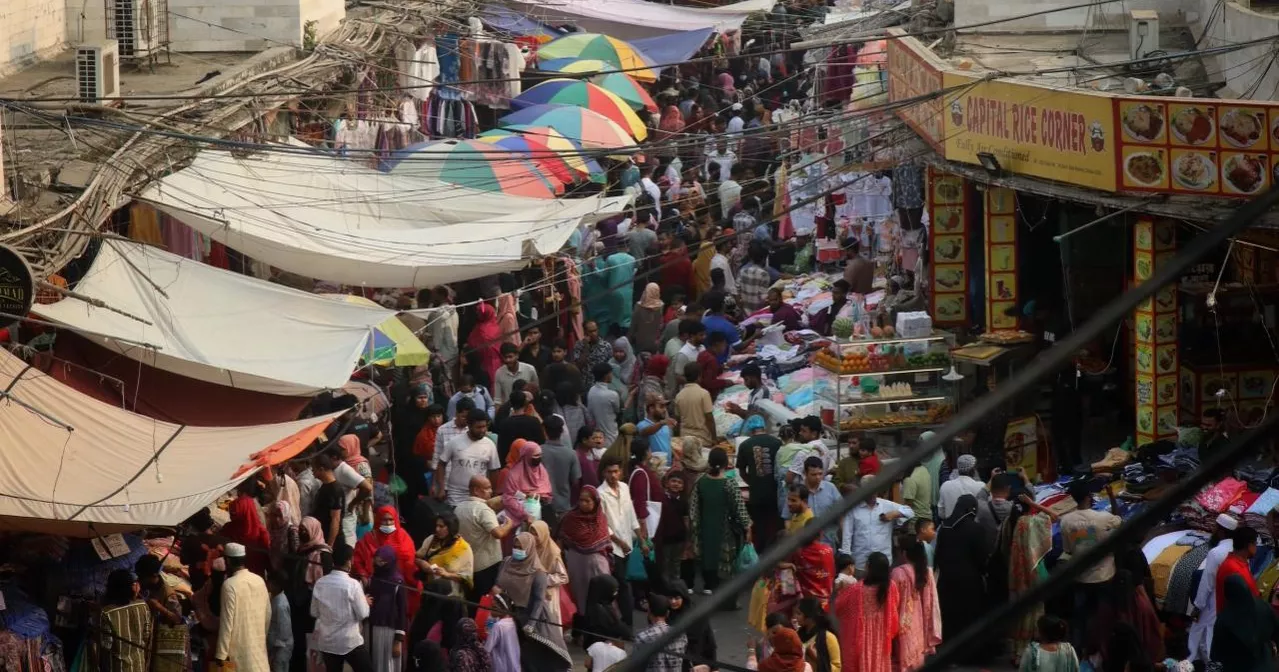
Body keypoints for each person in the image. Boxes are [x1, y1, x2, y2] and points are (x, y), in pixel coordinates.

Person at [496, 533, 574, 671]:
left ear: (529, 549)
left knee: (535, 657)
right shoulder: (507, 563)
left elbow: (538, 600)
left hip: (533, 617)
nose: (517, 550)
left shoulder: (538, 573)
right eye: (515, 547)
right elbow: (499, 584)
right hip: (511, 614)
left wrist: (531, 624)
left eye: (521, 548)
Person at [1059, 482, 1122, 649]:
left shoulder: (1066, 521)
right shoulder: (1103, 518)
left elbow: (1068, 550)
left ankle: (1079, 650)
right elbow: (1119, 521)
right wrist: (1111, 497)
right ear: (1089, 497)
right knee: (1106, 618)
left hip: (1081, 577)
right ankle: (1105, 649)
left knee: (1080, 618)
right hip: (1104, 575)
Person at [934, 495, 991, 666]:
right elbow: (982, 558)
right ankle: (969, 656)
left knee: (950, 618)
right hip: (969, 583)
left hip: (946, 581)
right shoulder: (976, 529)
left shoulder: (945, 527)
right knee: (968, 618)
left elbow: (938, 555)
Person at [691, 447, 751, 594]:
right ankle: (722, 586)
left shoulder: (700, 481)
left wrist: (694, 526)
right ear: (726, 463)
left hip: (704, 526)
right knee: (723, 553)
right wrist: (747, 526)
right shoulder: (729, 483)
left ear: (709, 462)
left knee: (707, 552)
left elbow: (693, 507)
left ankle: (708, 584)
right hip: (725, 527)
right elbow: (740, 508)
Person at [1009, 496, 1057, 660]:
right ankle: (1028, 655)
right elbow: (1054, 516)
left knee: (1020, 614)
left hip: (1017, 574)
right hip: (1033, 573)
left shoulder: (1013, 522)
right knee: (1034, 612)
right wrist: (1034, 503)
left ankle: (1017, 653)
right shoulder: (1032, 522)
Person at [599, 453, 646, 622]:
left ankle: (622, 619)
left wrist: (641, 539)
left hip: (628, 544)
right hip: (614, 547)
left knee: (625, 582)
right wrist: (620, 543)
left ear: (620, 472)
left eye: (616, 471)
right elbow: (603, 524)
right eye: (609, 472)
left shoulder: (625, 488)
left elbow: (631, 515)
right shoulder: (600, 493)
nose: (613, 475)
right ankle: (626, 621)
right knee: (622, 584)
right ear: (604, 473)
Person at [310, 545, 372, 672]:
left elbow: (314, 612)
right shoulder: (353, 585)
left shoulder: (320, 583)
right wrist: (364, 602)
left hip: (327, 642)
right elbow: (363, 613)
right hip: (349, 642)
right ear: (349, 561)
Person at [455, 475, 515, 605]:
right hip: (486, 565)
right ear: (476, 490)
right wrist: (509, 525)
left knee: (470, 602)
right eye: (487, 488)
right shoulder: (483, 509)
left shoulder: (458, 508)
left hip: (466, 564)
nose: (491, 491)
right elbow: (498, 533)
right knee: (485, 603)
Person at [834, 552, 899, 672]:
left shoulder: (856, 589)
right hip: (881, 635)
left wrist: (841, 591)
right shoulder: (891, 586)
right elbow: (894, 610)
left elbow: (839, 607)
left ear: (868, 567)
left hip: (861, 636)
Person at [1190, 514, 1240, 661]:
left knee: (1207, 635)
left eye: (1215, 528)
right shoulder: (1238, 550)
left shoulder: (1216, 553)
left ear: (1221, 531)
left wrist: (1198, 606)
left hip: (1214, 601)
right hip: (1232, 601)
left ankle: (1208, 664)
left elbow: (1207, 582)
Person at [214, 543, 272, 671]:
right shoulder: (259, 580)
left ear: (228, 561)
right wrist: (260, 636)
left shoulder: (229, 585)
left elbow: (227, 623)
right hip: (258, 652)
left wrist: (221, 654)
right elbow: (268, 614)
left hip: (239, 654)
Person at [560, 485, 615, 616]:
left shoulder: (601, 518)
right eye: (581, 500)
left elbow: (605, 542)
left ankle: (604, 620)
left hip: (598, 563)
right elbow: (561, 539)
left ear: (595, 502)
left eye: (587, 501)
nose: (583, 504)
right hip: (577, 564)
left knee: (601, 594)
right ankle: (583, 622)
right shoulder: (570, 518)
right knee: (580, 594)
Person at [839, 476, 913, 572]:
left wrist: (894, 514)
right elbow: (847, 536)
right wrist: (847, 562)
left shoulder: (887, 505)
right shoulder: (853, 509)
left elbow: (910, 512)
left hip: (883, 563)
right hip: (860, 563)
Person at [1211, 574, 1279, 671]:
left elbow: (1216, 655)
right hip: (1266, 662)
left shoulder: (1224, 620)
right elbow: (1276, 631)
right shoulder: (1264, 606)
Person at [891, 540, 940, 671]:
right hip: (921, 621)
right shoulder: (926, 572)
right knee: (917, 655)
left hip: (903, 619)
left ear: (904, 553)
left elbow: (892, 600)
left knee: (902, 654)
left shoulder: (897, 573)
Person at [434, 412, 502, 506]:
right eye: (478, 427)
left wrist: (493, 492)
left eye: (484, 426)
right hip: (456, 497)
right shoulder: (454, 442)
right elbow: (441, 464)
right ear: (469, 426)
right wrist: (441, 487)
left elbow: (494, 470)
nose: (482, 430)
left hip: (479, 497)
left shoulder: (490, 444)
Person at [352, 506, 419, 600]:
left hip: (399, 586)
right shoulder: (369, 538)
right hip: (375, 585)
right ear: (378, 520)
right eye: (384, 520)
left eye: (391, 520)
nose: (388, 523)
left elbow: (410, 562)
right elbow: (357, 560)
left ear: (395, 520)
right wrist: (363, 575)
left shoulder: (404, 538)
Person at [135, 555, 188, 672]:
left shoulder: (168, 593)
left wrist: (159, 607)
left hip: (160, 642)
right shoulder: (143, 586)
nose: (139, 579)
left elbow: (177, 619)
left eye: (142, 577)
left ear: (154, 575)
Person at [737, 414, 783, 545]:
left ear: (750, 429)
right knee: (773, 525)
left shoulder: (745, 445)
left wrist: (752, 482)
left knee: (759, 526)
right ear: (764, 427)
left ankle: (760, 551)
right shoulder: (777, 443)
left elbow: (741, 471)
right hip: (774, 493)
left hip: (756, 494)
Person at [96, 569, 152, 672]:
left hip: (117, 667)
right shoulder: (143, 605)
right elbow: (146, 635)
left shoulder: (107, 612)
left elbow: (106, 645)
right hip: (138, 666)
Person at [367, 546, 409, 672]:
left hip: (391, 631)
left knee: (389, 665)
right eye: (376, 561)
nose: (378, 564)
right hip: (374, 628)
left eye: (382, 562)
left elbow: (402, 611)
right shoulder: (374, 579)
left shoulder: (397, 581)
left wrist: (398, 640)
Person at [415, 512, 474, 599]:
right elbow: (416, 557)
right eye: (436, 526)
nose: (437, 529)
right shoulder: (431, 539)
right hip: (428, 589)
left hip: (449, 595)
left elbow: (466, 577)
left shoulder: (464, 548)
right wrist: (422, 563)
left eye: (441, 526)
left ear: (451, 527)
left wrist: (447, 574)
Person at [530, 520, 573, 632]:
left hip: (548, 595)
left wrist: (542, 580)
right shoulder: (531, 549)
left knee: (548, 626)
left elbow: (563, 577)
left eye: (536, 534)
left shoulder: (553, 553)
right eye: (531, 533)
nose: (533, 537)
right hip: (532, 592)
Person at [540, 415, 581, 527]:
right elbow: (576, 481)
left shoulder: (538, 452)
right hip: (564, 505)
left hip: (542, 505)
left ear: (544, 431)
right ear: (562, 431)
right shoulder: (571, 454)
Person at [502, 439, 553, 526]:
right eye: (536, 455)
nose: (539, 458)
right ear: (527, 456)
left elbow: (548, 492)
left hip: (541, 515)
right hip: (519, 518)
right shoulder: (514, 474)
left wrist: (539, 497)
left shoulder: (541, 470)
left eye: (540, 455)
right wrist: (524, 514)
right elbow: (508, 497)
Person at [222, 493, 272, 576]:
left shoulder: (261, 533)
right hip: (236, 575)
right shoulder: (228, 528)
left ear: (245, 512)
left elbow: (267, 557)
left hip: (254, 575)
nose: (231, 516)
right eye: (231, 513)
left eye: (234, 513)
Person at [635, 595, 688, 672]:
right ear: (667, 613)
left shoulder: (642, 637)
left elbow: (637, 665)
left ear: (649, 612)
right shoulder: (681, 635)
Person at [1215, 526, 1260, 610]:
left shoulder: (1239, 563)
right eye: (1255, 544)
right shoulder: (1233, 569)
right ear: (1249, 545)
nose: (1256, 547)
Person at [801, 456, 841, 548]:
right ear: (805, 473)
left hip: (829, 541)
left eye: (820, 474)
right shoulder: (798, 490)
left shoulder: (831, 488)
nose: (818, 477)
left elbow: (842, 514)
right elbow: (788, 518)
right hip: (806, 544)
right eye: (813, 474)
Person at [675, 362, 717, 446]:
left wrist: (677, 438)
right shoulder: (704, 394)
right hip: (702, 439)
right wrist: (714, 438)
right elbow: (709, 418)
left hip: (685, 439)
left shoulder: (679, 396)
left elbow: (677, 420)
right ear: (699, 377)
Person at [497, 391, 545, 465]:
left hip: (511, 464)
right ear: (525, 403)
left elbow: (501, 447)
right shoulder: (534, 421)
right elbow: (541, 442)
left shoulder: (505, 423)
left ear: (511, 404)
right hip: (530, 462)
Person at [467, 302, 504, 394]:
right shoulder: (495, 326)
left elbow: (473, 343)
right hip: (497, 361)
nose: (478, 315)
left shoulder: (481, 330)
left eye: (479, 313)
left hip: (484, 362)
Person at [796, 597, 840, 672]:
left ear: (809, 616)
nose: (796, 617)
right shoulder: (797, 634)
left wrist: (816, 658)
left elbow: (837, 668)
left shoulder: (828, 637)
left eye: (799, 614)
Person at [937, 454, 986, 520]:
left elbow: (941, 513)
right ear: (973, 469)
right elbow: (985, 511)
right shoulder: (981, 486)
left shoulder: (945, 486)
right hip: (974, 525)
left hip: (951, 525)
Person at [588, 362, 623, 447]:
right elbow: (618, 410)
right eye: (611, 373)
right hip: (610, 433)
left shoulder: (591, 390)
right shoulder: (612, 394)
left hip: (596, 433)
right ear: (606, 375)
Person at [639, 393, 677, 466]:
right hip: (653, 468)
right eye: (661, 407)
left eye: (665, 407)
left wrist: (676, 458)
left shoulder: (665, 426)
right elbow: (645, 432)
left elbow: (668, 445)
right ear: (651, 409)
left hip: (667, 467)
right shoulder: (642, 425)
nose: (665, 410)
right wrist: (662, 423)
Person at [575, 320, 615, 388]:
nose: (593, 333)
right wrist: (586, 348)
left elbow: (610, 367)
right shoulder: (579, 345)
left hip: (601, 385)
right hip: (584, 384)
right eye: (590, 331)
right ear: (585, 332)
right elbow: (578, 366)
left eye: (595, 330)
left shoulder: (606, 346)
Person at [266, 571, 293, 672]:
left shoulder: (280, 604)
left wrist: (275, 647)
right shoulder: (274, 598)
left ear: (275, 585)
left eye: (269, 583)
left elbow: (284, 631)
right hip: (276, 646)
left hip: (281, 648)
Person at [633, 283, 667, 354]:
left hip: (643, 339)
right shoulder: (661, 305)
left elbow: (634, 325)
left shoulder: (639, 306)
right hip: (652, 340)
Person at [900, 455, 933, 527]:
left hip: (915, 522)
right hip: (927, 518)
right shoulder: (924, 469)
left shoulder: (910, 479)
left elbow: (907, 507)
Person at [610, 337, 639, 403]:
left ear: (627, 351)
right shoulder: (611, 362)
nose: (617, 354)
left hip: (629, 400)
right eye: (615, 351)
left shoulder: (634, 364)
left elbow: (635, 385)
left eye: (621, 351)